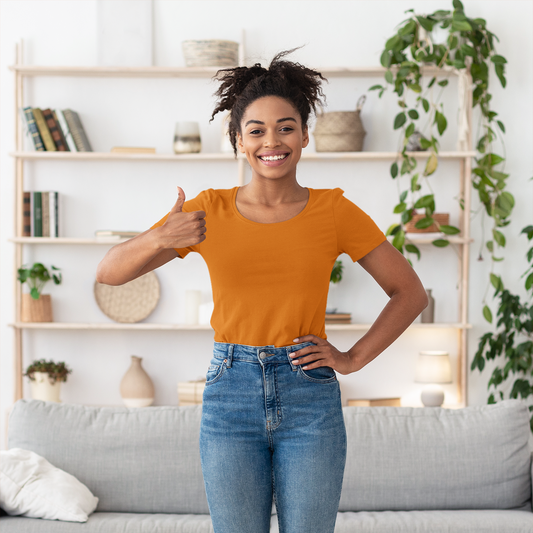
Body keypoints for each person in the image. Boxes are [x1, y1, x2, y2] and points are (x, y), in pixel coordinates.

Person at [96, 49, 428, 533]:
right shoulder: (209, 211)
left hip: (308, 395)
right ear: (237, 140)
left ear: (305, 135)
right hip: (230, 392)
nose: (272, 141)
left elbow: (409, 292)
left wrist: (353, 359)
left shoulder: (334, 211)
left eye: (286, 127)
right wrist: (159, 236)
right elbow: (108, 272)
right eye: (256, 130)